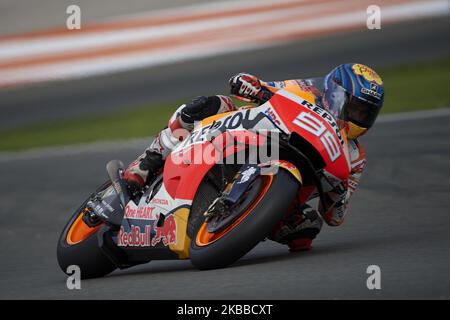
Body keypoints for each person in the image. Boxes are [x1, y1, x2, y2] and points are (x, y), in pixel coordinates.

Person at [123, 63, 385, 251]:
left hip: (287, 190)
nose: (358, 117)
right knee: (213, 104)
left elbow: (335, 217)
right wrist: (252, 85)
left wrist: (337, 191)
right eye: (355, 108)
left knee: (306, 232)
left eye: (365, 113)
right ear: (336, 94)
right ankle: (148, 160)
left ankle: (245, 221)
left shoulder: (355, 157)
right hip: (254, 141)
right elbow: (264, 88)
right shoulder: (304, 90)